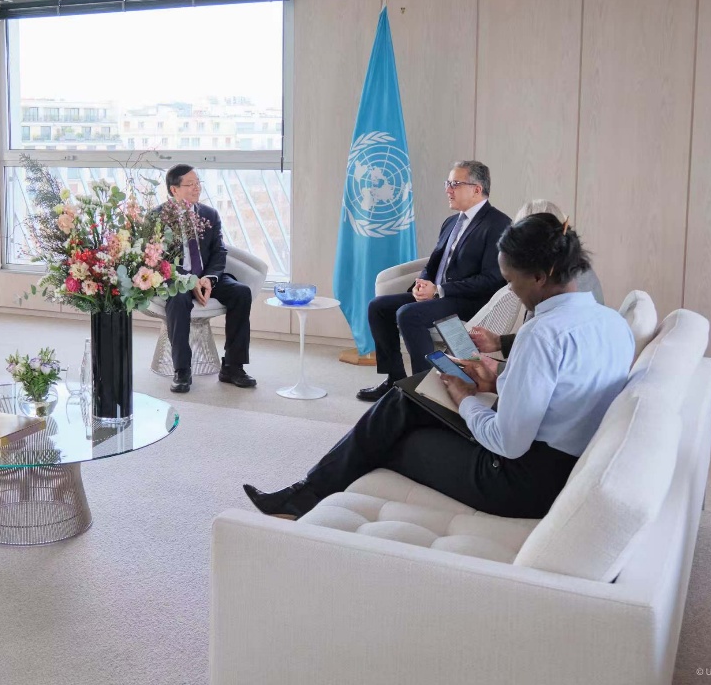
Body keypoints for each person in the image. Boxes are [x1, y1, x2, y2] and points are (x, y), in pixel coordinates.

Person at [244, 213, 633, 520]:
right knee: (406, 401)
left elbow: (508, 443)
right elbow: (562, 393)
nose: (512, 291)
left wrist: (466, 398)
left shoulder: (542, 334)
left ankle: (305, 497)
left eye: (512, 281)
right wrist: (495, 381)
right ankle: (305, 495)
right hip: (556, 465)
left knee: (391, 437)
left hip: (520, 482)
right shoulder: (613, 322)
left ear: (539, 276)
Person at [357, 160, 510, 402]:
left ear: (476, 189)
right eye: (447, 183)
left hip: (468, 300)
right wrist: (422, 283)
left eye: (455, 184)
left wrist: (439, 290)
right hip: (438, 296)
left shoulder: (498, 224)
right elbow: (434, 263)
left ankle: (425, 392)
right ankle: (394, 380)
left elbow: (491, 279)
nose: (448, 189)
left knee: (409, 314)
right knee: (378, 307)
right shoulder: (451, 222)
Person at [468, 199, 604, 359]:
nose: (510, 288)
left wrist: (496, 369)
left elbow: (544, 342)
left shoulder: (550, 297)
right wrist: (500, 343)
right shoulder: (575, 273)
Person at [161, 164, 255, 394]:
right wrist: (189, 280)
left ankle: (232, 367)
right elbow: (158, 259)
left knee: (241, 293)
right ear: (174, 189)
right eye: (190, 184)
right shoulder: (158, 217)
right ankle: (182, 370)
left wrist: (209, 279)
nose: (197, 188)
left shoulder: (209, 214)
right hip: (178, 278)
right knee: (178, 299)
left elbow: (219, 251)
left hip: (207, 276)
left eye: (198, 183)